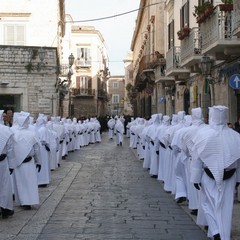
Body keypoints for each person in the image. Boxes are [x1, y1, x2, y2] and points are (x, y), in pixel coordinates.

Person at [191, 105, 240, 240]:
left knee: (207, 204)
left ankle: (216, 230)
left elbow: (197, 158)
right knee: (226, 207)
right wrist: (237, 180)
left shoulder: (203, 134)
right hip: (230, 176)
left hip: (208, 175)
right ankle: (223, 234)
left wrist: (195, 178)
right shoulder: (235, 136)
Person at [12, 111, 42, 210]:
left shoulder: (13, 133)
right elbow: (37, 149)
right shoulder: (32, 133)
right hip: (29, 162)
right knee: (29, 182)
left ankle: (22, 201)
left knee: (20, 183)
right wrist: (39, 161)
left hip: (18, 162)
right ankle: (29, 201)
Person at [0, 110, 15, 219]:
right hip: (3, 162)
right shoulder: (6, 130)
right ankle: (5, 208)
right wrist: (11, 165)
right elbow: (10, 149)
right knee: (4, 186)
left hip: (3, 161)